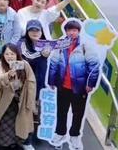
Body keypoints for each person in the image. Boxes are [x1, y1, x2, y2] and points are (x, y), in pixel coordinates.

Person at [48, 19, 100, 150]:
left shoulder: (85, 45)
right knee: (61, 111)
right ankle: (60, 133)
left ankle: (75, 136)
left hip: (80, 87)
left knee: (78, 113)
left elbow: (94, 66)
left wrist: (90, 83)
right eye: (69, 30)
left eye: (75, 30)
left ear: (78, 32)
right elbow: (54, 63)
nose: (72, 32)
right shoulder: (60, 44)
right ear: (65, 31)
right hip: (63, 86)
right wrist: (52, 81)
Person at [0, 43, 36, 150]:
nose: (9, 56)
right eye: (7, 54)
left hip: (20, 102)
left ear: (17, 54)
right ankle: (4, 146)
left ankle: (16, 145)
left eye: (12, 54)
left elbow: (32, 81)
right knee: (5, 128)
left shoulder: (24, 64)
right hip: (5, 104)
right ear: (3, 55)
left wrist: (29, 101)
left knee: (18, 127)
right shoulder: (0, 65)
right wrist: (7, 75)